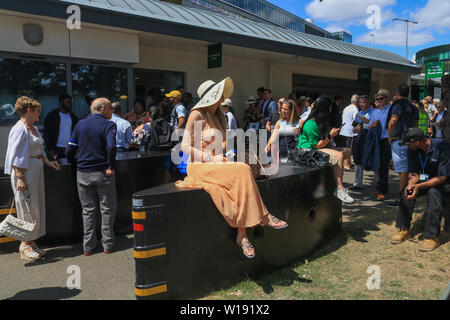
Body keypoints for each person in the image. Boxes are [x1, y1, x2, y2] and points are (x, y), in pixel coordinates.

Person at [176, 77, 288, 259]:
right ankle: (263, 217)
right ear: (212, 97)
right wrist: (210, 158)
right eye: (220, 95)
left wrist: (227, 156)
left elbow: (223, 147)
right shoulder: (197, 114)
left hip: (217, 164)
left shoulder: (221, 116)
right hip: (199, 166)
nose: (223, 98)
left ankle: (242, 235)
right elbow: (185, 147)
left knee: (242, 172)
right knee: (243, 170)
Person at [5, 97, 61, 261]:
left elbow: (39, 150)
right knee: (26, 207)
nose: (39, 114)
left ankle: (31, 241)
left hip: (35, 171)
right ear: (29, 110)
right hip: (25, 173)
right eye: (37, 111)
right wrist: (20, 178)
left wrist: (49, 163)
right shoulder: (19, 129)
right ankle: (24, 244)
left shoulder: (33, 128)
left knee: (34, 208)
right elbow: (15, 156)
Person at [66, 98, 117, 256]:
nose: (112, 111)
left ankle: (88, 247)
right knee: (107, 209)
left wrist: (74, 163)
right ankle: (107, 245)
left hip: (83, 173)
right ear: (102, 109)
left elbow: (70, 148)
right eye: (110, 108)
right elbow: (111, 146)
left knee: (88, 211)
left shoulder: (80, 124)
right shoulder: (109, 125)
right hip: (103, 173)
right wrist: (111, 166)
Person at [391, 128, 450, 252]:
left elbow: (442, 177)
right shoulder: (412, 150)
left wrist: (419, 186)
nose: (406, 146)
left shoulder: (442, 147)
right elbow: (414, 173)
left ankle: (431, 237)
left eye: (408, 143)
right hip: (425, 180)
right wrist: (412, 184)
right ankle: (403, 229)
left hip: (443, 182)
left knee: (434, 193)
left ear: (417, 142)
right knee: (406, 191)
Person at [297, 95, 354, 204]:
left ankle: (333, 177)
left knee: (347, 151)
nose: (331, 110)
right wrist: (330, 136)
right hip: (307, 152)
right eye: (330, 107)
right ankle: (339, 188)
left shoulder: (322, 121)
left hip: (318, 149)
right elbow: (315, 146)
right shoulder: (311, 123)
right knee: (338, 156)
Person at [388, 83, 419, 206]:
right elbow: (416, 125)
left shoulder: (398, 105)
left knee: (402, 171)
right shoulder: (413, 107)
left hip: (399, 140)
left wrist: (390, 137)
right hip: (410, 140)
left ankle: (402, 198)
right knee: (409, 169)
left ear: (397, 93)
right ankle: (408, 194)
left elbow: (393, 121)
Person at [368, 89, 392, 201]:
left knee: (383, 167)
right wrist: (372, 124)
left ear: (387, 99)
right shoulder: (375, 112)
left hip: (387, 141)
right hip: (377, 141)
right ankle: (379, 187)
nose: (379, 101)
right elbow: (369, 126)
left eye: (381, 98)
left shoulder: (391, 110)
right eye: (377, 99)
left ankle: (383, 191)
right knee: (377, 166)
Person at [43, 94, 79, 163]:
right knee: (58, 172)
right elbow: (47, 134)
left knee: (70, 171)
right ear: (61, 103)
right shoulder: (52, 116)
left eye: (71, 102)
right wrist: (51, 150)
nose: (70, 104)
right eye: (68, 102)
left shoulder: (73, 117)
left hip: (70, 149)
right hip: (56, 150)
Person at [350, 95, 374, 190]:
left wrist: (366, 121)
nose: (362, 104)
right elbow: (354, 128)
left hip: (370, 137)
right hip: (360, 137)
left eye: (364, 102)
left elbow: (375, 124)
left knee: (373, 161)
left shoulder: (373, 112)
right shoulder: (358, 113)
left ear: (368, 103)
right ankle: (357, 183)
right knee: (357, 160)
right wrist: (355, 130)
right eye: (360, 103)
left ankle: (379, 185)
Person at [265, 99, 300, 163]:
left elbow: (298, 140)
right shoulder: (279, 122)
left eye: (285, 109)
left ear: (292, 111)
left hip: (291, 157)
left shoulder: (298, 123)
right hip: (279, 156)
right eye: (282, 108)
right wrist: (268, 146)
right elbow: (273, 136)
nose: (283, 111)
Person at [340, 94, 360, 170]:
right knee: (349, 148)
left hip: (343, 130)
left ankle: (348, 162)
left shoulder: (346, 108)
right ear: (357, 102)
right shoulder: (355, 109)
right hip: (350, 131)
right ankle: (346, 164)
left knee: (345, 147)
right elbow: (357, 120)